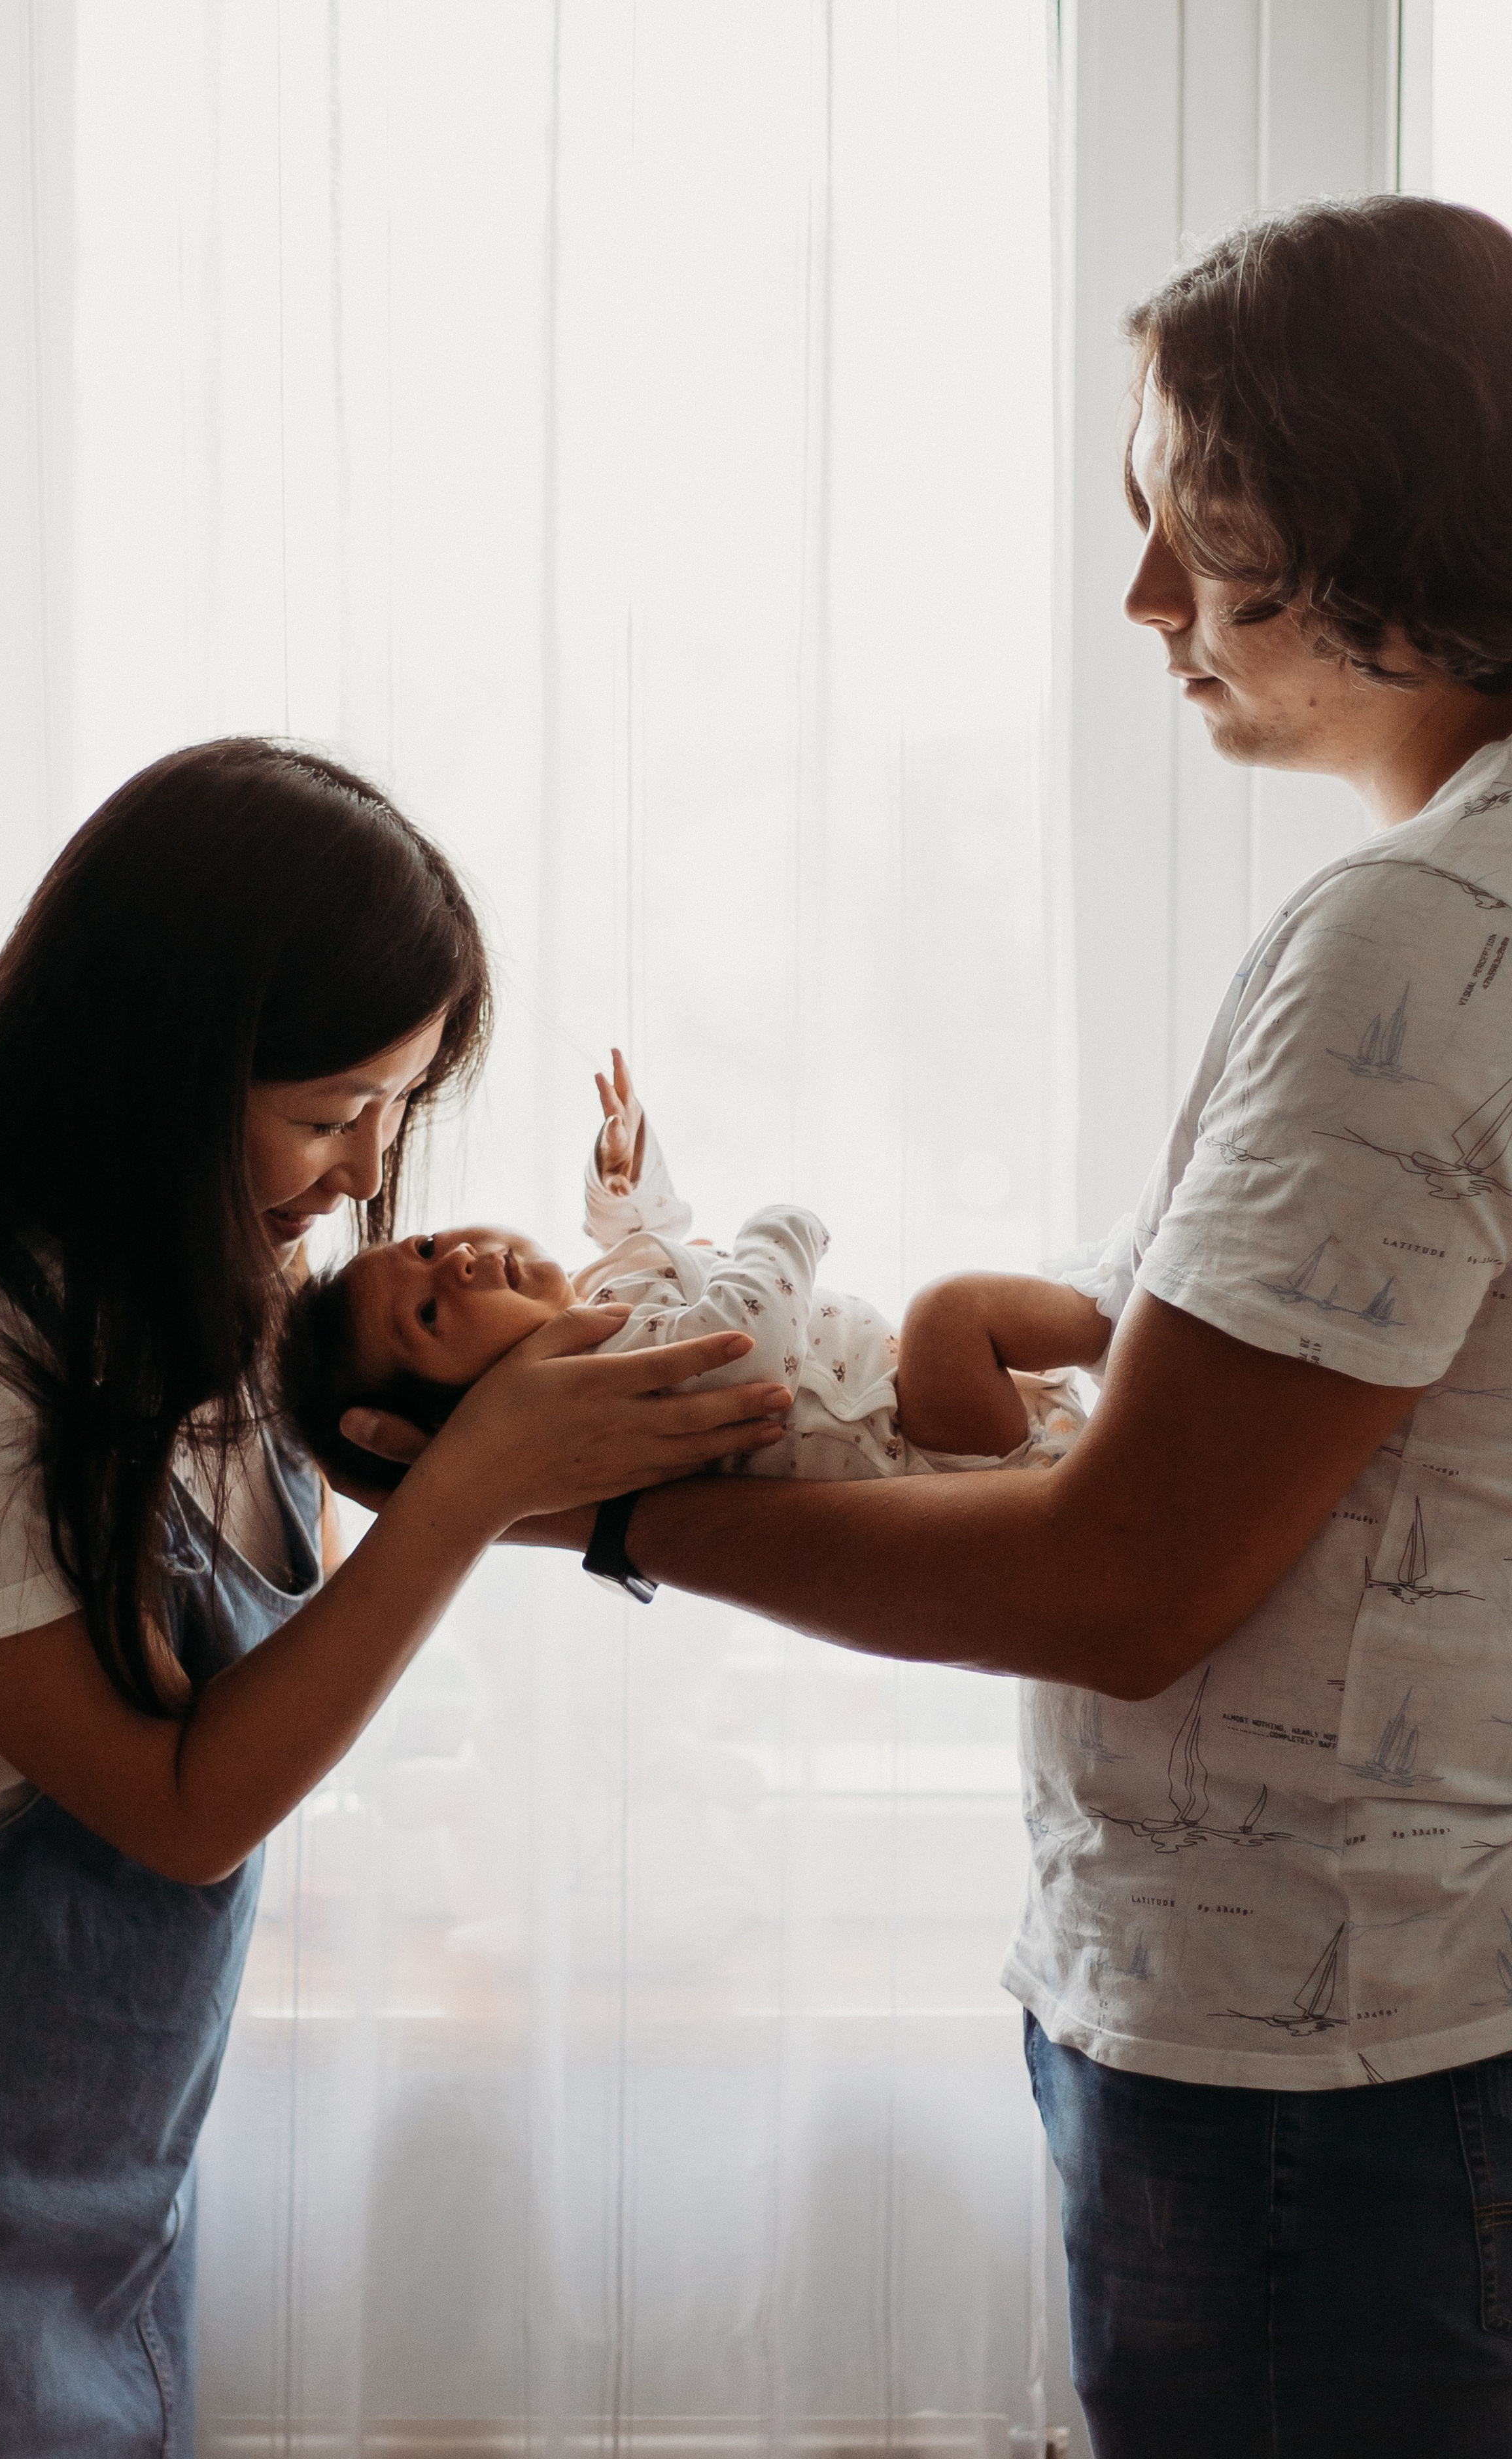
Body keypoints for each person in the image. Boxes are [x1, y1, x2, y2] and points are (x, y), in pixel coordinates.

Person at [344, 199, 1512, 2454]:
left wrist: (594, 1518)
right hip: (1370, 2021)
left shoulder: (1412, 939)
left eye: (1198, 521)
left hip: (1318, 2070)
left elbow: (1124, 1581)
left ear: (1375, 513)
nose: (1145, 594)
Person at [0, 738, 791, 2458]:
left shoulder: (230, 1315)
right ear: (157, 1063)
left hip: (108, 2200)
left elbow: (340, 1609)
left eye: (399, 1106)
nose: (368, 1171)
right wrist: (478, 1479)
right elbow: (183, 1810)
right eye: (332, 1111)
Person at [280, 1047, 1098, 1493]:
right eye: (427, 1314)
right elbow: (748, 1351)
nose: (456, 1262)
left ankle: (1113, 1328)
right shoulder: (593, 1375)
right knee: (951, 1312)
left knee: (975, 1318)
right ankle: (1119, 1317)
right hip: (917, 1446)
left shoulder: (594, 1300)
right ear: (465, 1406)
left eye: (426, 1247)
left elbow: (658, 1244)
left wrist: (622, 1180)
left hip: (914, 1402)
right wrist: (780, 1232)